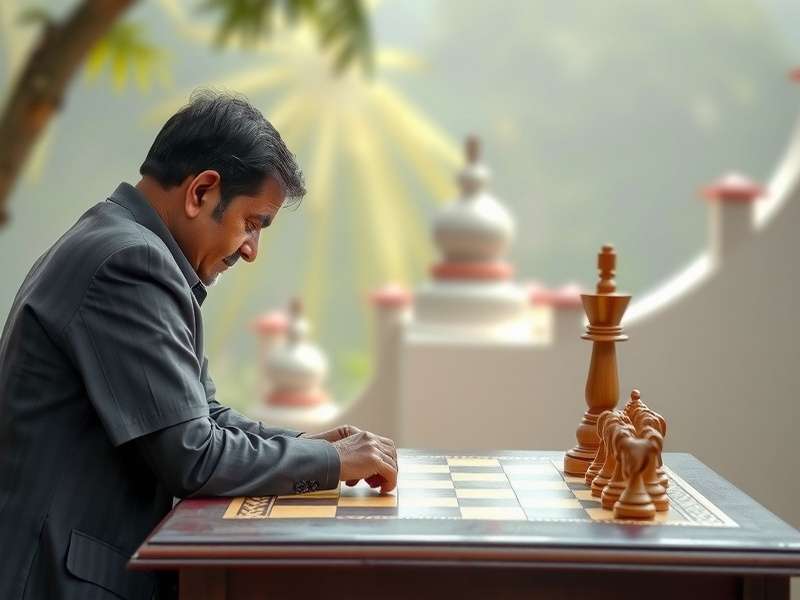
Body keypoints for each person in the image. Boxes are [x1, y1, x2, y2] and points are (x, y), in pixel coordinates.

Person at [0, 89, 398, 600]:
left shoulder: (126, 245)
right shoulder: (131, 265)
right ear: (202, 191)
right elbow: (195, 457)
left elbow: (202, 417)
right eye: (252, 224)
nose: (251, 250)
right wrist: (333, 464)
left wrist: (307, 447)